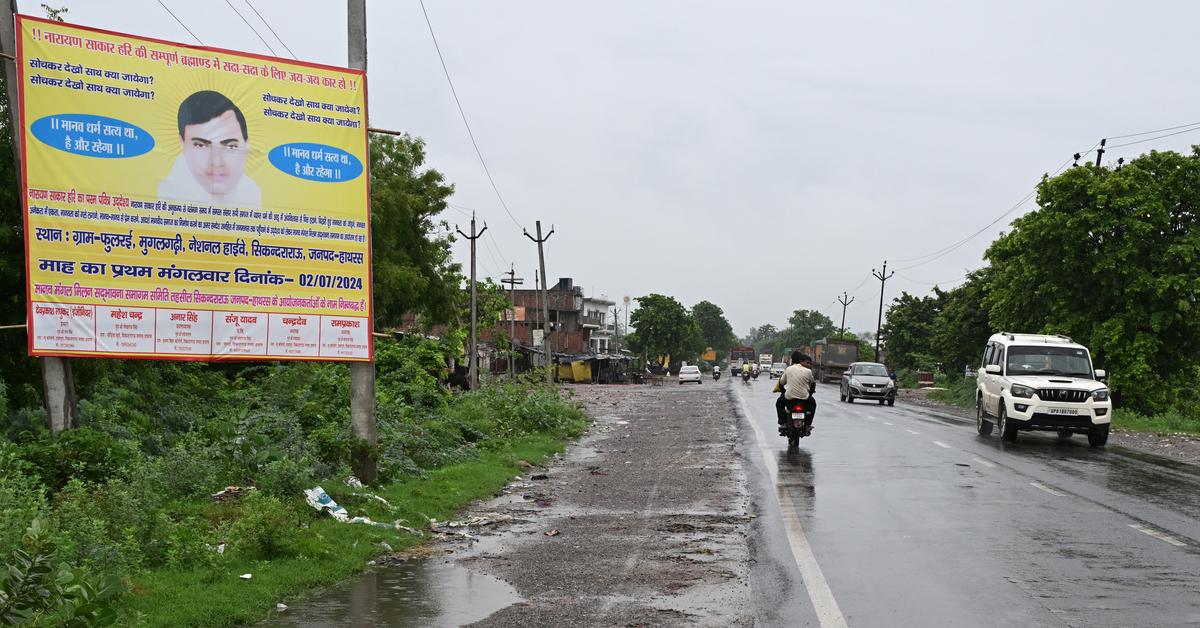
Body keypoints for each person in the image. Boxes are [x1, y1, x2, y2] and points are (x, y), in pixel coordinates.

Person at [158, 90, 261, 208]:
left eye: (230, 146)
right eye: (201, 145)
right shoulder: (168, 194)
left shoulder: (253, 197)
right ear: (182, 143)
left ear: (247, 145)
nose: (216, 162)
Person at [775, 351, 816, 436]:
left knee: (779, 402)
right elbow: (813, 384)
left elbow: (781, 383)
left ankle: (783, 423)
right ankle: (808, 425)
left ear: (792, 360)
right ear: (801, 360)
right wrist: (809, 395)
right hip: (804, 399)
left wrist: (784, 393)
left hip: (790, 399)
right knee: (813, 404)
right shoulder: (808, 371)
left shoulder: (789, 369)